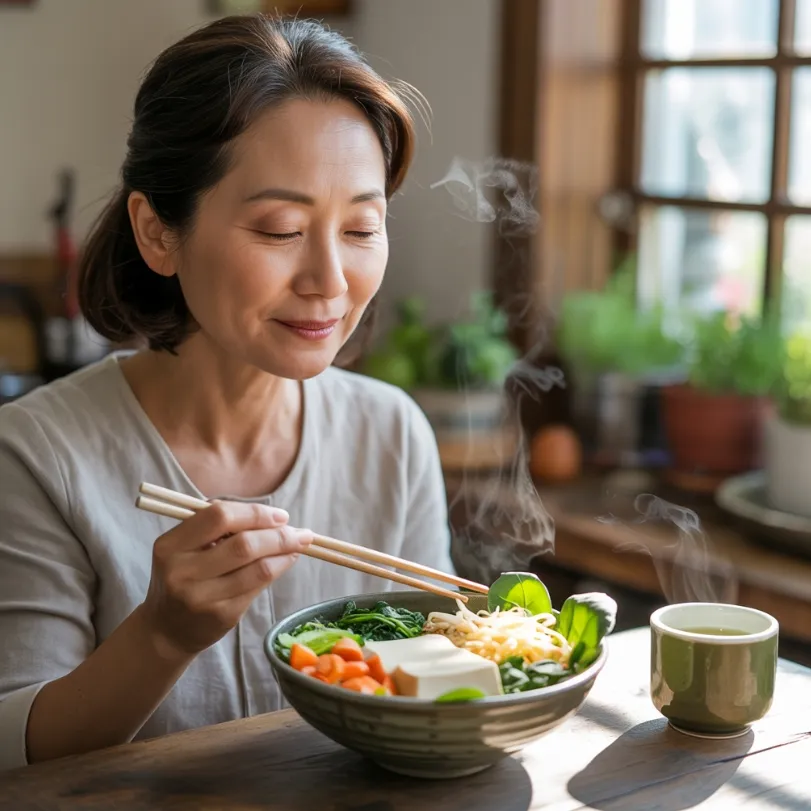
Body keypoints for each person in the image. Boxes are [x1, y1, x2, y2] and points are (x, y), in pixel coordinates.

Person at [0, 14, 454, 771]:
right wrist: (160, 636)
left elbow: (435, 683)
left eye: (361, 226)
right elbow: (10, 754)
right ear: (157, 233)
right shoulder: (38, 454)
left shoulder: (392, 433)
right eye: (280, 229)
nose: (330, 283)